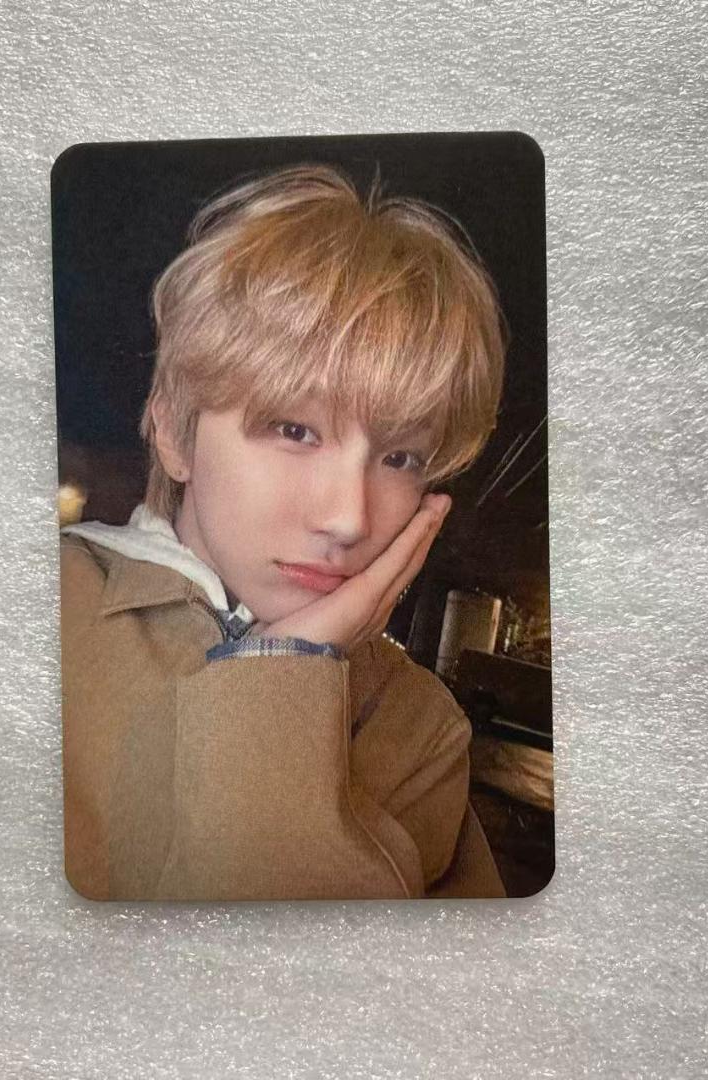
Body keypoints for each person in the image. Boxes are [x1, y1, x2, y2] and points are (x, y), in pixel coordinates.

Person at [60, 163, 508, 900]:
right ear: (174, 432)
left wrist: (287, 667)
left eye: (400, 457)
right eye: (295, 429)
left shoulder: (421, 728)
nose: (349, 518)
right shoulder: (40, 615)